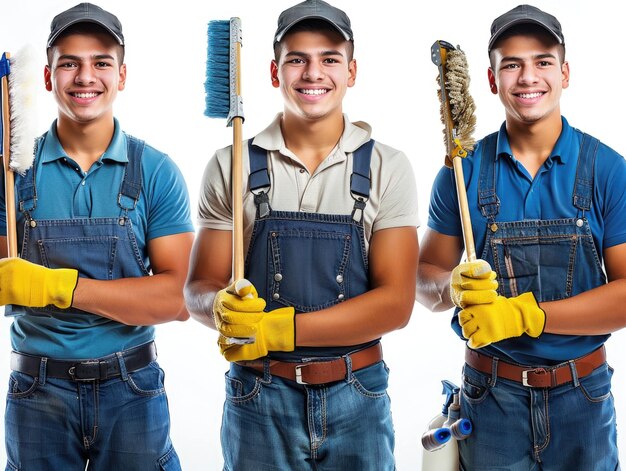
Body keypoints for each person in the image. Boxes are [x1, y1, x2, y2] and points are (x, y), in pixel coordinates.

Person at [184, 0, 419, 468]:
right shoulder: (230, 164)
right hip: (258, 396)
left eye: (329, 58)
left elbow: (396, 303)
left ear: (351, 71)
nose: (314, 73)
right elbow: (198, 288)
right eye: (298, 59)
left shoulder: (386, 167)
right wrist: (218, 307)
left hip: (359, 396)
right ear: (275, 72)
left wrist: (280, 329)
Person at [416, 4, 626, 469]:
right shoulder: (461, 172)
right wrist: (449, 287)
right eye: (511, 64)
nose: (528, 77)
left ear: (565, 72)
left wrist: (526, 315)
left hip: (583, 403)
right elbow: (424, 279)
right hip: (490, 400)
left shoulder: (607, 170)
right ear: (492, 80)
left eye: (542, 61)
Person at [0, 3, 194, 469]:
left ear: (122, 75)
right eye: (69, 63)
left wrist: (61, 289)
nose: (85, 76)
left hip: (132, 389)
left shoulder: (155, 172)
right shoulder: (13, 174)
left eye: (101, 63)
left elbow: (179, 299)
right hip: (37, 392)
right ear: (47, 78)